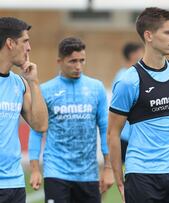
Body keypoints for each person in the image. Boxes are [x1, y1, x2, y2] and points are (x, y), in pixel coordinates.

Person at [107, 7, 169, 203]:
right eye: (168, 32)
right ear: (149, 36)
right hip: (142, 177)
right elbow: (113, 133)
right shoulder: (129, 81)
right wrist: (119, 182)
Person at [28, 37, 113, 203]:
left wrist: (108, 168)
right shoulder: (45, 90)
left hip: (88, 173)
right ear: (59, 61)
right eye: (73, 61)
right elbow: (37, 131)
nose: (78, 66)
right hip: (56, 172)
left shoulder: (96, 88)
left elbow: (105, 129)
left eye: (82, 61)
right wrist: (35, 169)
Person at [0, 17, 48, 203]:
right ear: (10, 43)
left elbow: (40, 124)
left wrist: (33, 82)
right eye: (25, 41)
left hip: (14, 184)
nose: (29, 48)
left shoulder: (19, 83)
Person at [112, 42, 143, 163]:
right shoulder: (123, 76)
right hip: (126, 133)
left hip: (135, 133)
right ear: (132, 55)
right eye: (141, 52)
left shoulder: (136, 73)